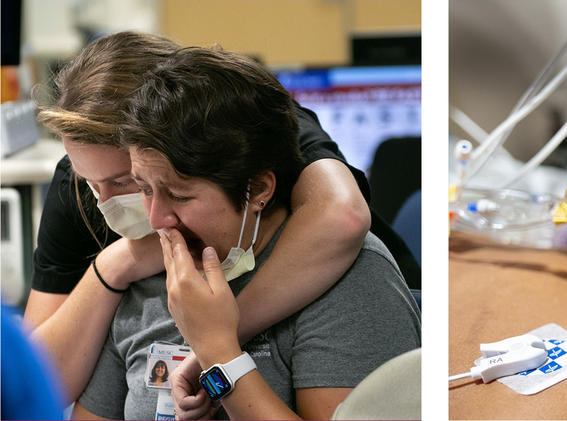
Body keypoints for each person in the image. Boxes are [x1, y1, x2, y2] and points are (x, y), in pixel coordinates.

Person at [25, 31, 417, 405]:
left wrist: (213, 342)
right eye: (93, 185)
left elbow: (342, 217)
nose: (104, 201)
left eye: (127, 181)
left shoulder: (247, 123)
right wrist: (117, 264)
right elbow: (29, 385)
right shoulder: (80, 181)